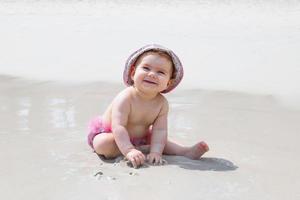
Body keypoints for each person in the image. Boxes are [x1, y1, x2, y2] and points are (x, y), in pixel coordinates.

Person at [87, 44, 209, 168]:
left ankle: (184, 151)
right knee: (103, 144)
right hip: (112, 134)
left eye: (160, 72)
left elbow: (160, 130)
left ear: (168, 83)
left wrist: (156, 152)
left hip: (141, 137)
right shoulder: (126, 97)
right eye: (146, 68)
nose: (152, 74)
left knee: (162, 142)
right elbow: (118, 126)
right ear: (133, 73)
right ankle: (139, 149)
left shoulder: (161, 103)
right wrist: (129, 150)